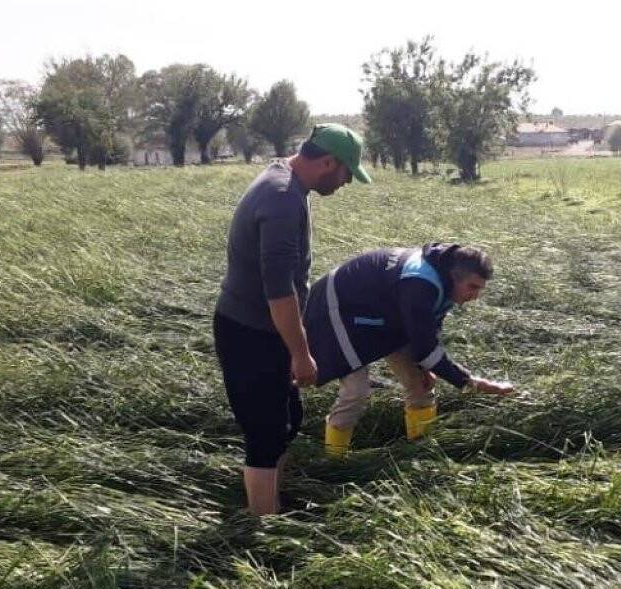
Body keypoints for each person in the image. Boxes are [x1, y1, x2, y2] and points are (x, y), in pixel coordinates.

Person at [213, 123, 371, 515]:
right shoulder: (283, 198)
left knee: (288, 418)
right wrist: (300, 354)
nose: (346, 183)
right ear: (329, 162)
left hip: (267, 331)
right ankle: (263, 530)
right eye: (347, 173)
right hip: (251, 333)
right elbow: (279, 291)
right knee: (265, 433)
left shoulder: (284, 181)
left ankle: (272, 502)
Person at [303, 242, 514, 456]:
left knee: (420, 385)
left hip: (384, 315)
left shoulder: (446, 282)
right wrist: (470, 382)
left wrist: (427, 366)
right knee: (356, 392)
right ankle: (334, 460)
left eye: (480, 289)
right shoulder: (420, 283)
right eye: (473, 287)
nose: (475, 296)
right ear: (454, 276)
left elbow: (427, 331)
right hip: (337, 309)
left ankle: (420, 452)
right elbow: (424, 346)